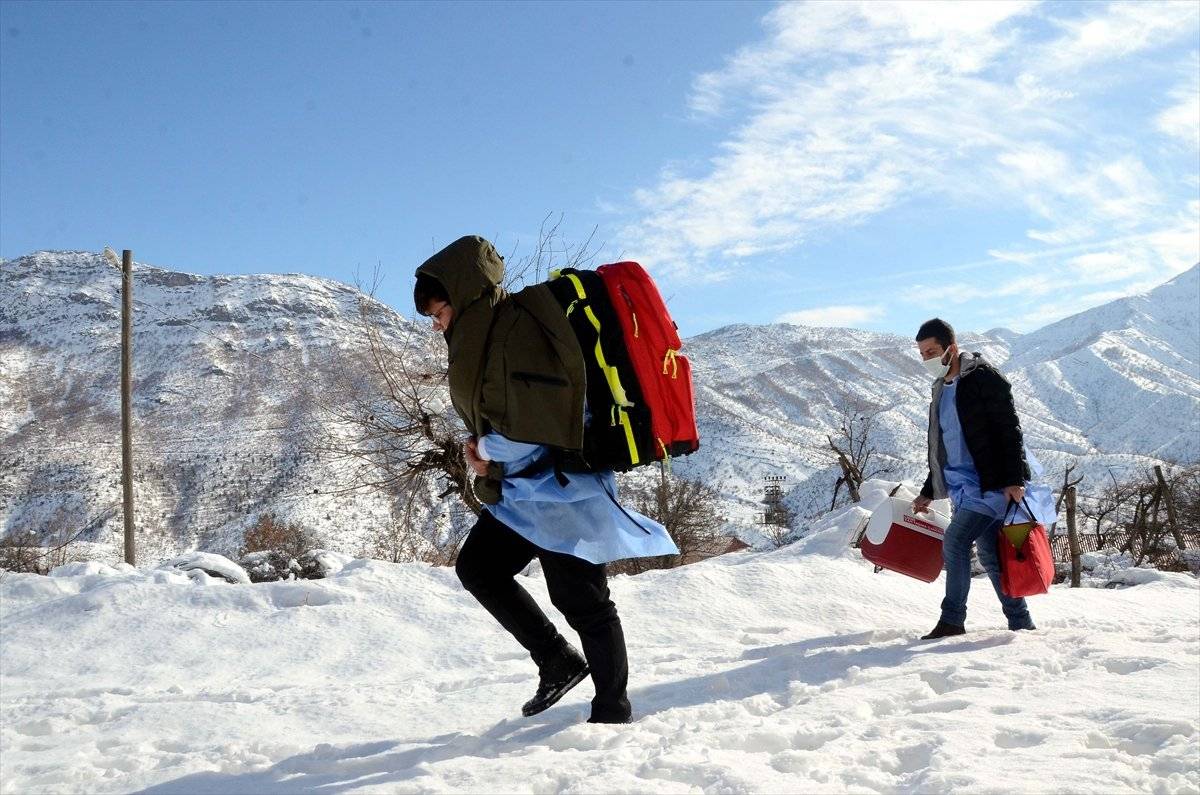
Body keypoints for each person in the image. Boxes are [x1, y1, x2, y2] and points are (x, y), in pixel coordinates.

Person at [413, 235, 679, 724]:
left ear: (464, 296)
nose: (438, 325)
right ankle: (556, 660)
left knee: (583, 602)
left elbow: (538, 425)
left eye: (439, 312)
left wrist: (484, 451)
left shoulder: (515, 334)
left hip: (563, 490)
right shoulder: (489, 336)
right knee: (480, 569)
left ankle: (612, 709)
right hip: (524, 493)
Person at [912, 318, 1056, 640]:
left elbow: (1009, 430)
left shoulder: (983, 378)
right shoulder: (941, 388)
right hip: (962, 489)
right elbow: (943, 446)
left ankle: (952, 620)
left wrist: (1014, 478)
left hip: (990, 485)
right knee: (991, 555)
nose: (926, 359)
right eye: (922, 354)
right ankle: (1020, 622)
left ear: (951, 348)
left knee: (956, 541)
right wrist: (928, 490)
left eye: (931, 351)